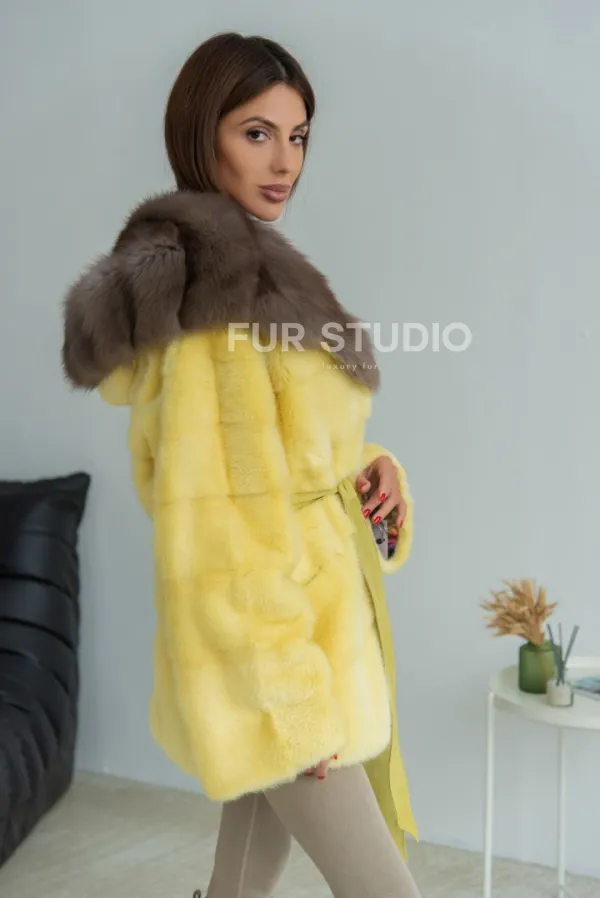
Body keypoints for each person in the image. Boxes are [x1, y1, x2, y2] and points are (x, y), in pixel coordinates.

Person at [61, 30, 422, 898]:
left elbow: (283, 455)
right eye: (256, 133)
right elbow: (216, 522)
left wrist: (369, 467)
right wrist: (290, 698)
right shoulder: (216, 302)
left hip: (301, 623)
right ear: (201, 135)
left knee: (243, 880)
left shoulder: (254, 276)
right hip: (275, 647)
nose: (285, 161)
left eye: (297, 136)